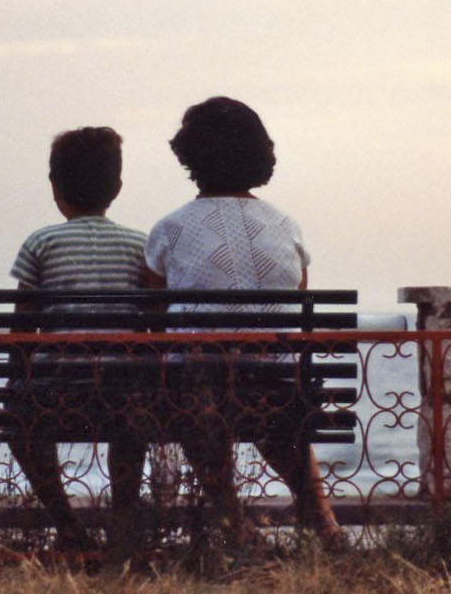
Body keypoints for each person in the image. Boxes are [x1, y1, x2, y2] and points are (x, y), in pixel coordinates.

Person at [143, 97, 341, 548]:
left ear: (190, 156)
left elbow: (153, 322)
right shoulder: (286, 225)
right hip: (280, 389)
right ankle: (323, 521)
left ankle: (231, 519)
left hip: (202, 394)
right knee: (263, 382)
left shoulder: (169, 230)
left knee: (196, 376)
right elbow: (297, 301)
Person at [7, 127, 151, 552]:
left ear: (55, 187)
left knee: (20, 422)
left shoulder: (41, 243)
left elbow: (22, 328)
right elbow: (147, 327)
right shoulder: (139, 245)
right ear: (117, 188)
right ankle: (123, 516)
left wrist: (17, 382)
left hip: (57, 390)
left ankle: (67, 524)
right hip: (123, 391)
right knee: (131, 423)